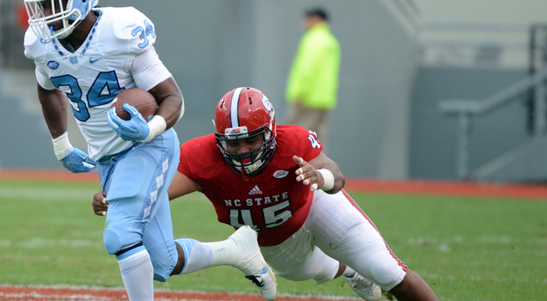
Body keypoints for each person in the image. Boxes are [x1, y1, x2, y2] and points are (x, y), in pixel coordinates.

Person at [23, 0, 276, 301]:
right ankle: (237, 251)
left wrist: (150, 129)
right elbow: (47, 86)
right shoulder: (41, 43)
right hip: (109, 158)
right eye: (39, 5)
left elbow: (172, 97)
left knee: (120, 235)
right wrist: (62, 144)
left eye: (53, 4)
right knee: (163, 260)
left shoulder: (118, 33)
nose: (45, 15)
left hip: (147, 147)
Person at [93, 87, 440, 301]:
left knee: (389, 271)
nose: (243, 150)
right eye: (234, 141)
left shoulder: (293, 141)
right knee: (313, 271)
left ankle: (370, 273)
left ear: (271, 132)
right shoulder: (201, 157)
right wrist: (120, 199)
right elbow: (153, 192)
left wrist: (318, 175)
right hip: (276, 241)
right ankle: (351, 272)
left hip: (315, 205)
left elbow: (337, 175)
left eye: (251, 140)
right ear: (219, 138)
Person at [285, 7, 341, 143]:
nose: (305, 23)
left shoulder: (313, 40)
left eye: (307, 19)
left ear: (316, 20)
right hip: (324, 99)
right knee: (318, 140)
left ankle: (297, 165)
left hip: (308, 98)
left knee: (297, 137)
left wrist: (299, 93)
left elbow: (307, 69)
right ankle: (319, 165)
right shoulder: (331, 41)